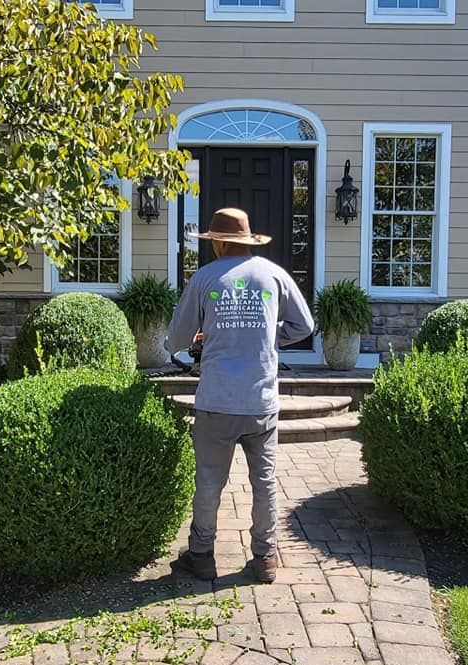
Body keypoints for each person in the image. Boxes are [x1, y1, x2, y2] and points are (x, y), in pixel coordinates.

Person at [166, 207, 315, 584]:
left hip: (216, 400)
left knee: (209, 480)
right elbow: (305, 325)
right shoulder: (274, 275)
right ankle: (265, 558)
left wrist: (205, 338)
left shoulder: (203, 279)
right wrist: (269, 337)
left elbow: (176, 340)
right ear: (247, 241)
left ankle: (201, 555)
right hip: (261, 402)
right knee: (265, 482)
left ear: (217, 241)